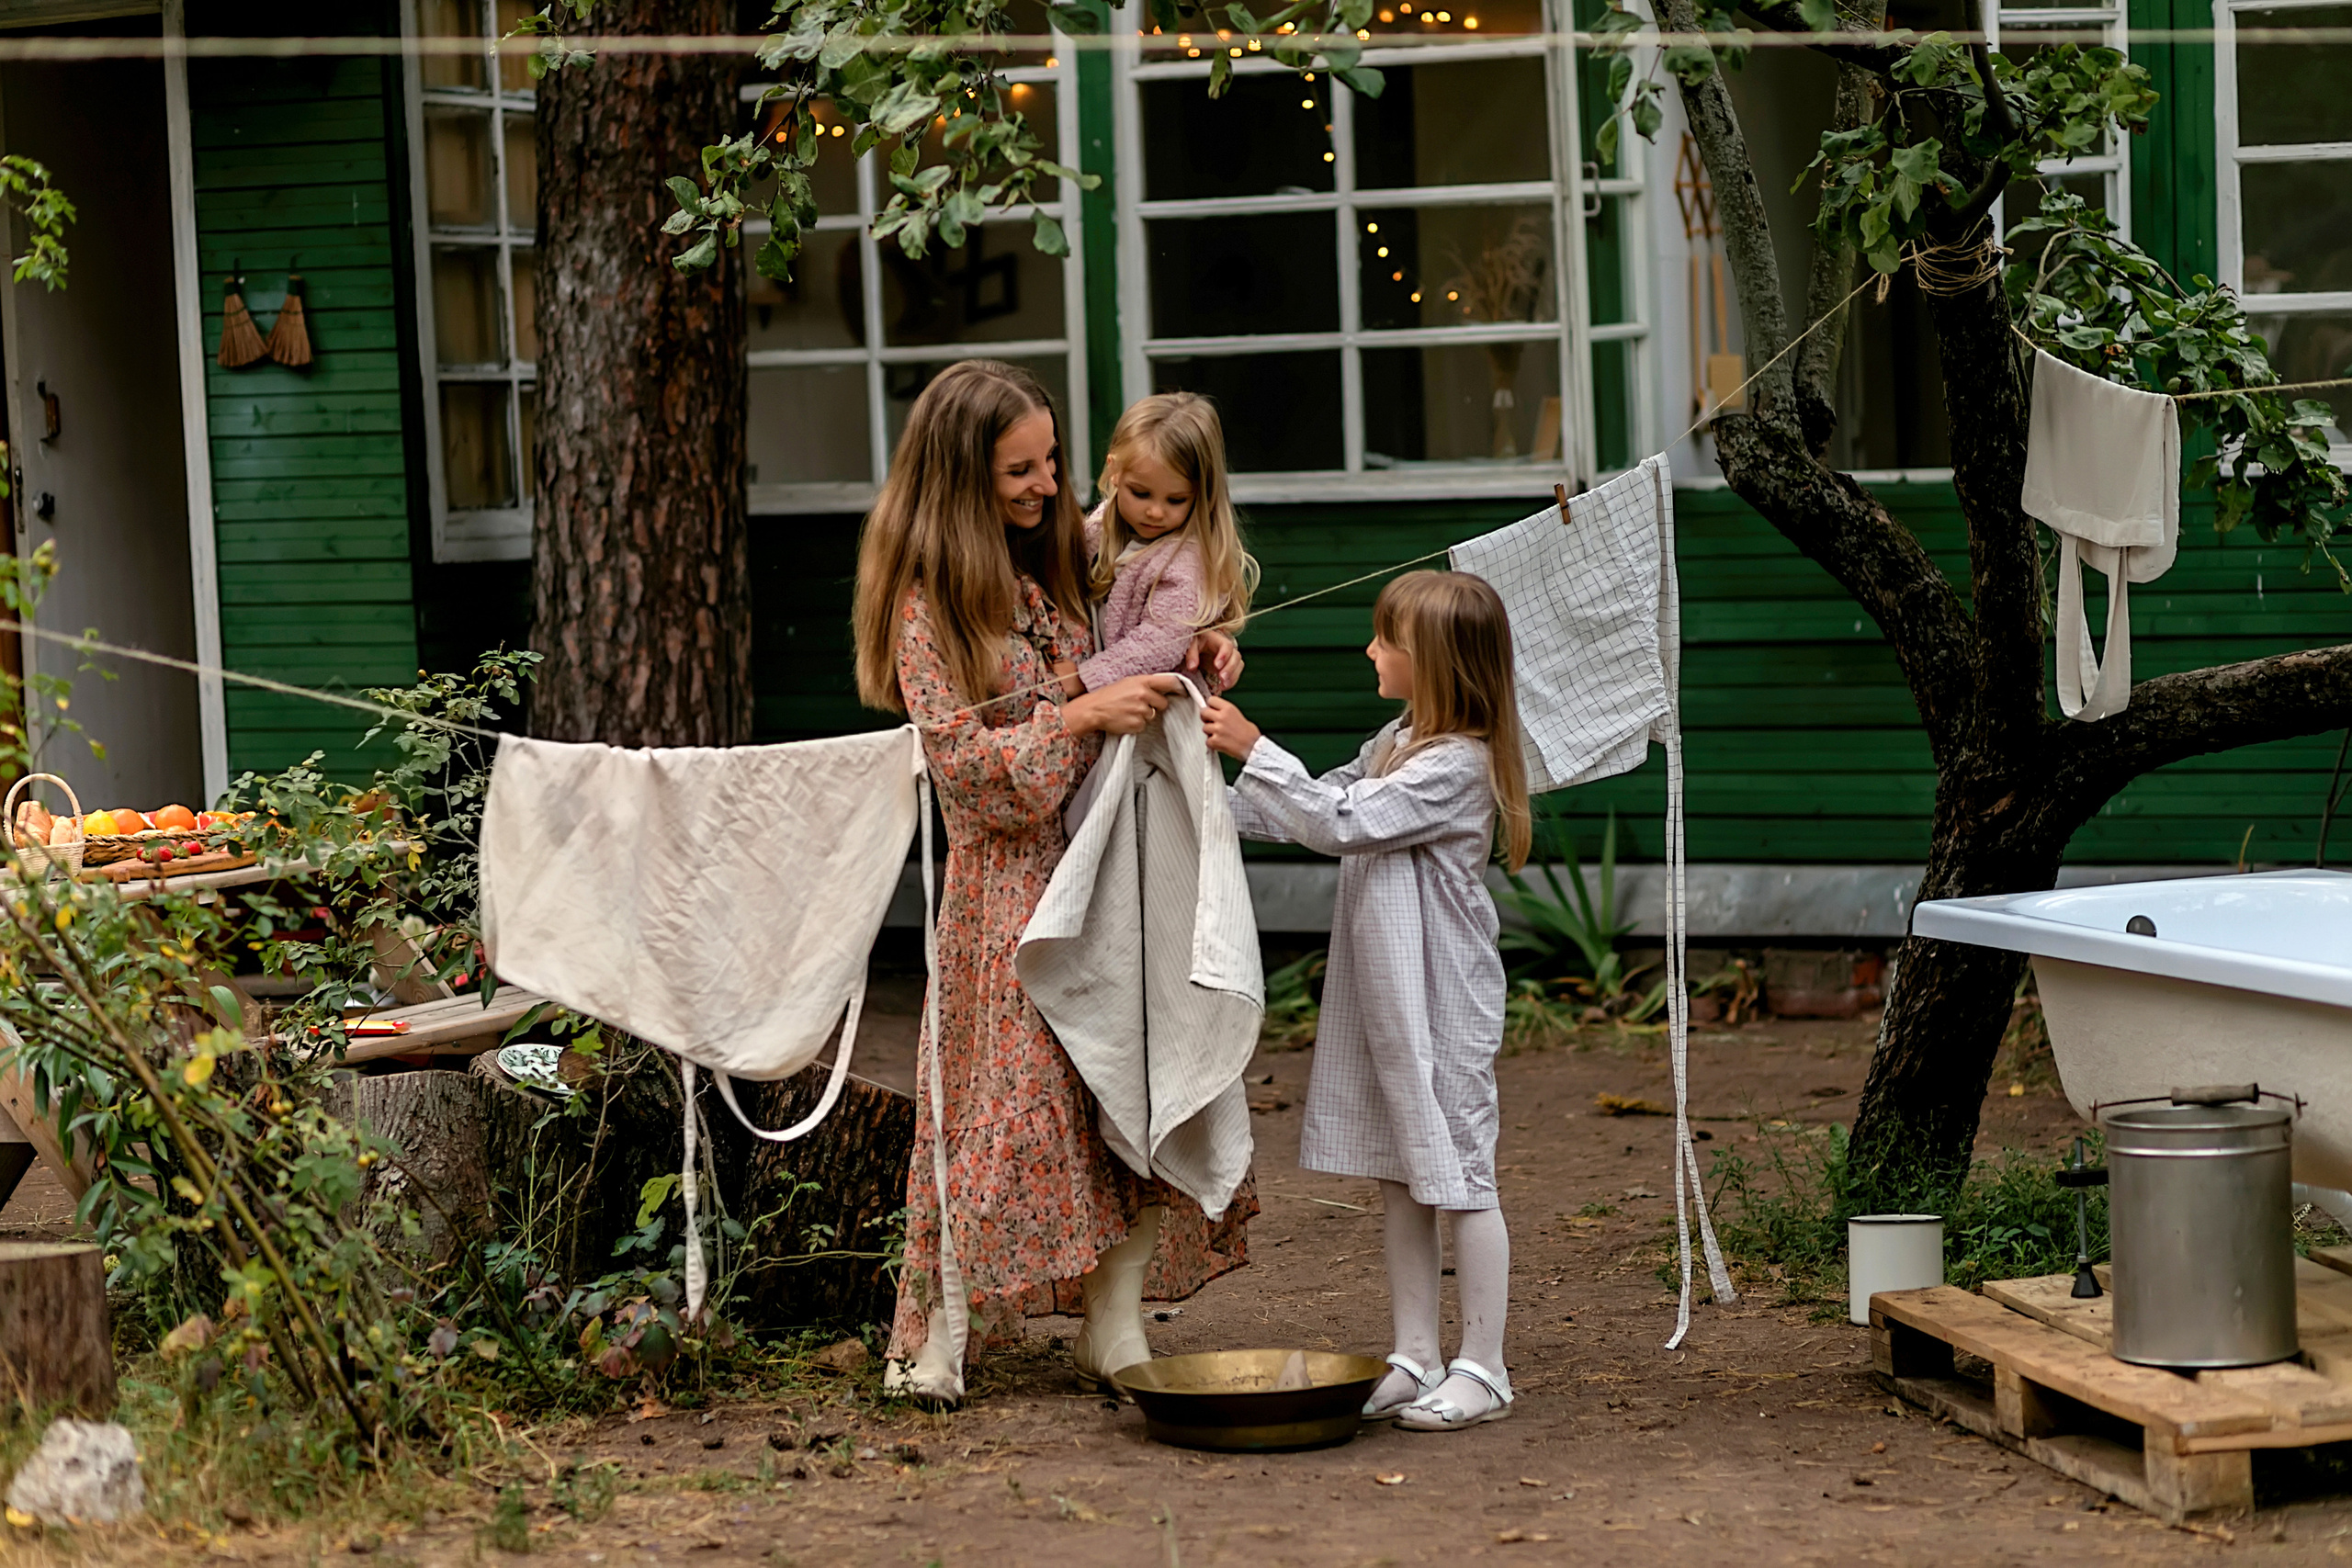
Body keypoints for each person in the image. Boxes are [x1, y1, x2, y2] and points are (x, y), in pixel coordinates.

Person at [852, 359, 1253, 1405]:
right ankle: (939, 1332)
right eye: (1017, 472)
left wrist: (1197, 645)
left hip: (1113, 859)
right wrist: (1072, 717)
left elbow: (1143, 615)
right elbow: (965, 772)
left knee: (1126, 1088)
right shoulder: (926, 603)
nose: (1047, 487)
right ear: (959, 479)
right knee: (1003, 1111)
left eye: (1053, 462)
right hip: (1009, 890)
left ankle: (1113, 1327)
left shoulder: (1071, 561)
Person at [1201, 570, 1532, 1432]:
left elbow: (1345, 816)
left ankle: (1486, 1365)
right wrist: (1207, 797)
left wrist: (1253, 747)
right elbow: (1311, 806)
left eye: (1386, 640)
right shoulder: (1400, 736)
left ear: (1434, 662)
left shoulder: (1457, 763)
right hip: (1392, 995)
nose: (1370, 649)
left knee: (1460, 1171)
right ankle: (1416, 1354)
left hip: (1442, 998)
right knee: (1403, 1171)